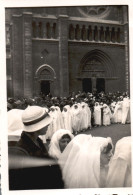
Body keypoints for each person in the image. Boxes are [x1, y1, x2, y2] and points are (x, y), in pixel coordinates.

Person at [8, 105, 64, 190]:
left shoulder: (37, 140)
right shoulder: (23, 150)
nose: (48, 124)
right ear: (38, 126)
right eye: (45, 123)